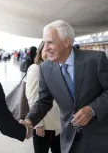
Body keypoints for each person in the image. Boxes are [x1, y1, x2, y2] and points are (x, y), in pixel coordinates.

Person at [20, 20, 108, 153]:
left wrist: (92, 109)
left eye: (50, 42)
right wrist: (29, 120)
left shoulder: (96, 60)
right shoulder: (45, 68)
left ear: (66, 42)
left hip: (100, 138)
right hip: (69, 139)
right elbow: (44, 101)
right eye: (44, 43)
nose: (46, 47)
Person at [26, 42, 61, 153]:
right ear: (40, 52)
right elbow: (32, 96)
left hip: (57, 123)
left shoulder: (55, 68)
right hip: (43, 124)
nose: (49, 53)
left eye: (52, 50)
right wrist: (38, 123)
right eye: (46, 50)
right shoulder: (36, 68)